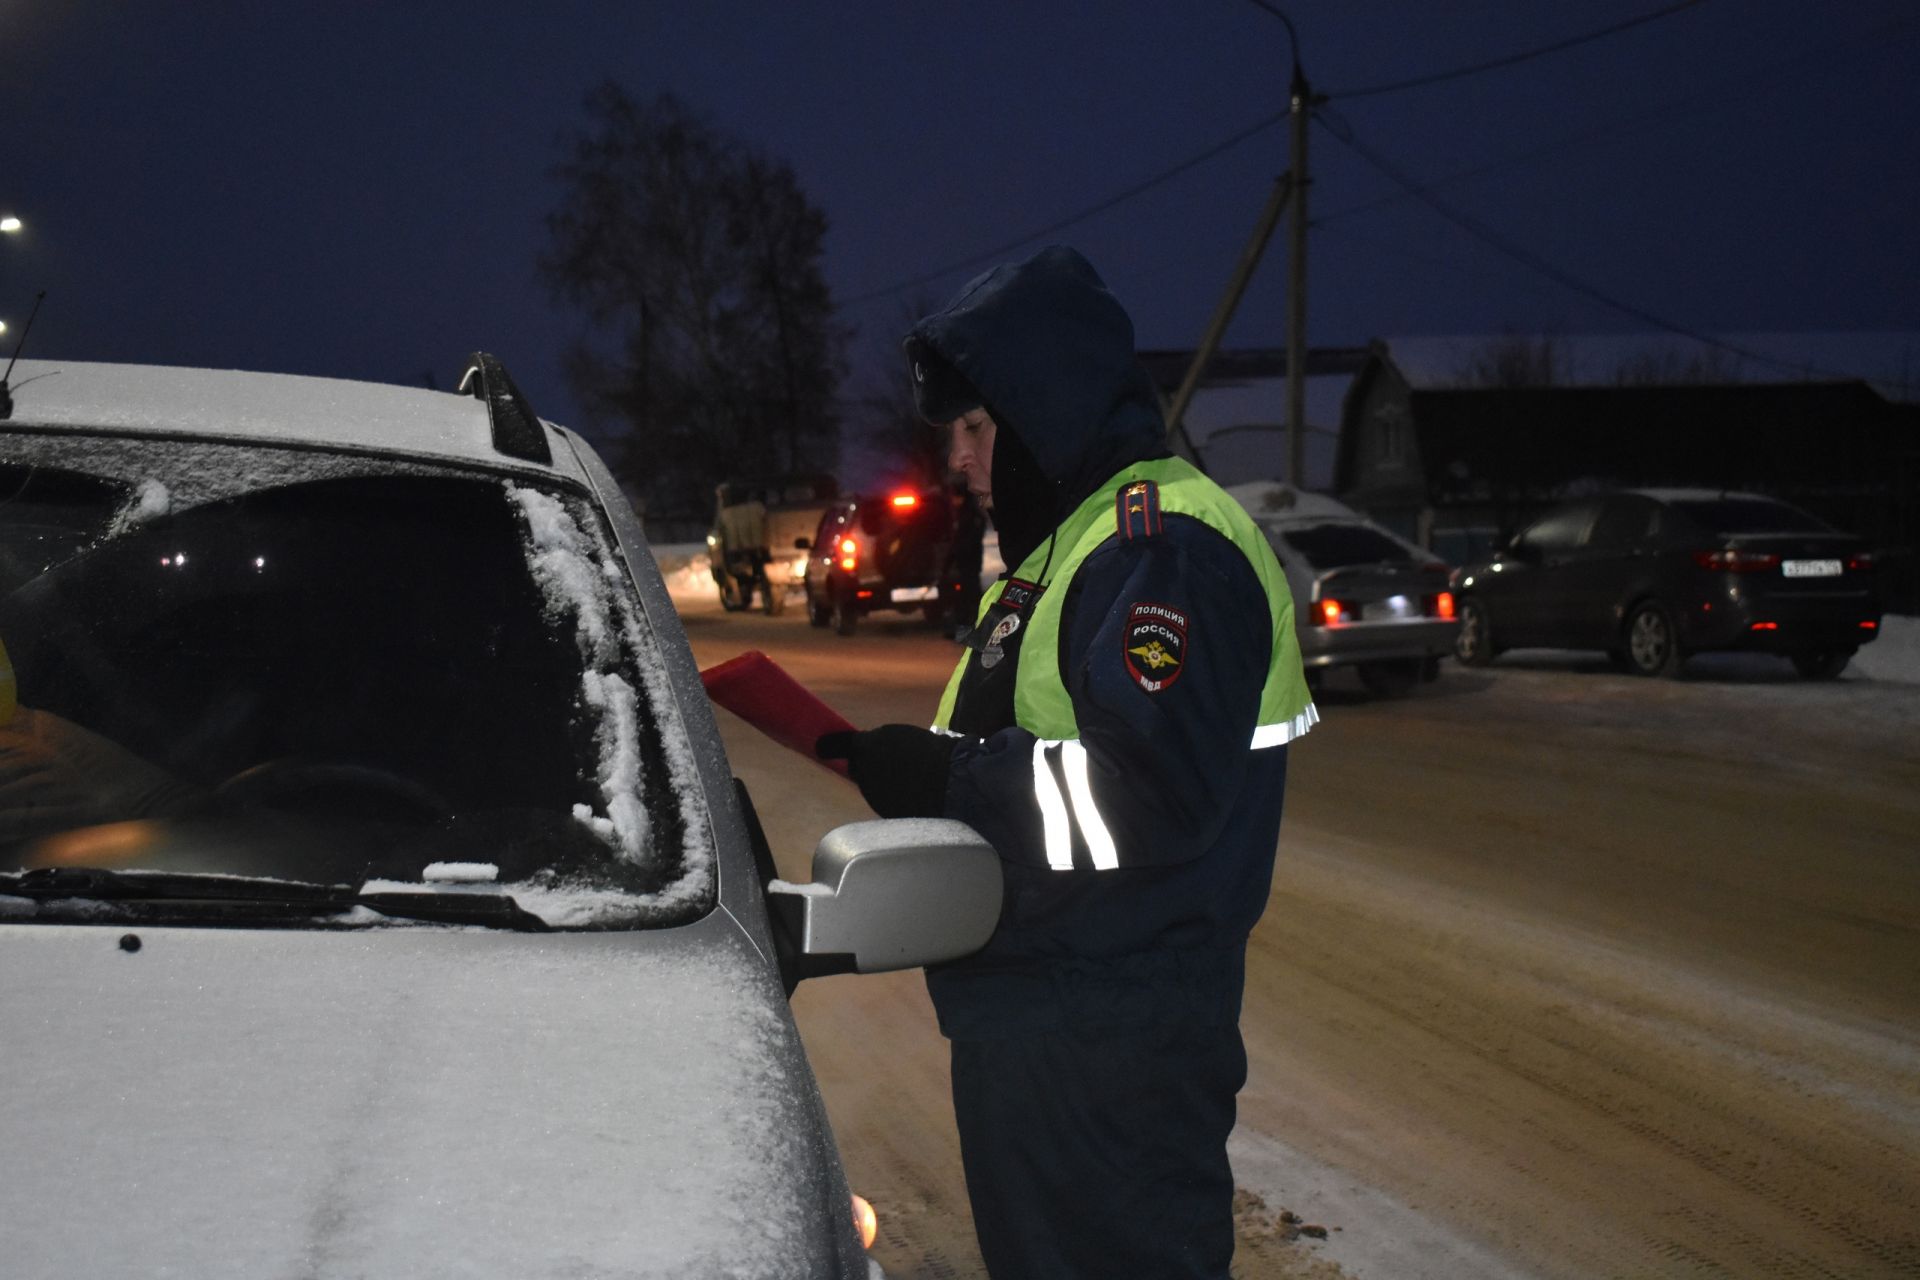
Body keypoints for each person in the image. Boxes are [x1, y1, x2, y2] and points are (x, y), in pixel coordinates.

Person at [817, 245, 1317, 1278]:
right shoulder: (1076, 549)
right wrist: (917, 772)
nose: (955, 460)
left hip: (1112, 1050)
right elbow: (1037, 746)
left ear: (1044, 411)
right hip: (1058, 1027)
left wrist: (948, 784)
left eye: (970, 429)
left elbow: (1145, 793)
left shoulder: (1162, 546)